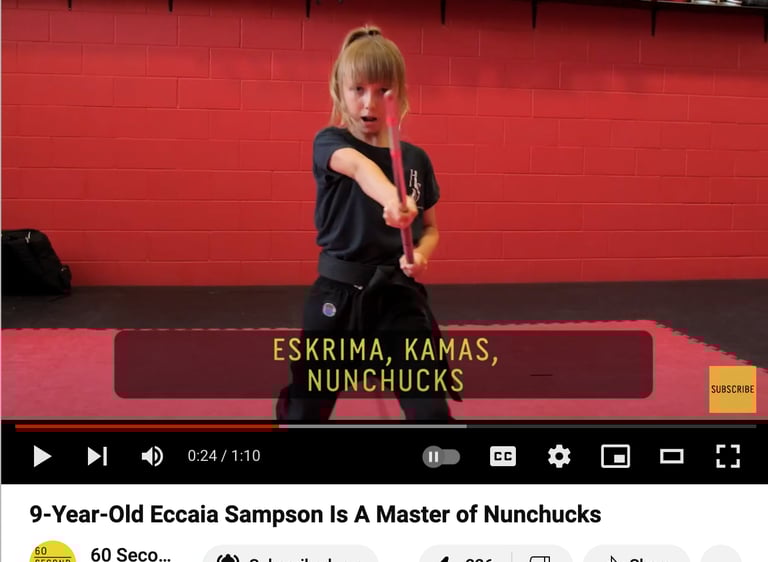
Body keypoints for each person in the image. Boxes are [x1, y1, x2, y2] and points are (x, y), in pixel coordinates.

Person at [275, 25, 456, 421]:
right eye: (358, 89)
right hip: (338, 296)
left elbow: (430, 229)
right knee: (306, 410)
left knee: (430, 411)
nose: (368, 101)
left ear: (400, 94)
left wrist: (422, 255)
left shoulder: (417, 160)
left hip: (398, 298)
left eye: (382, 89)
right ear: (340, 91)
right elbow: (359, 168)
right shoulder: (330, 143)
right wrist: (392, 198)